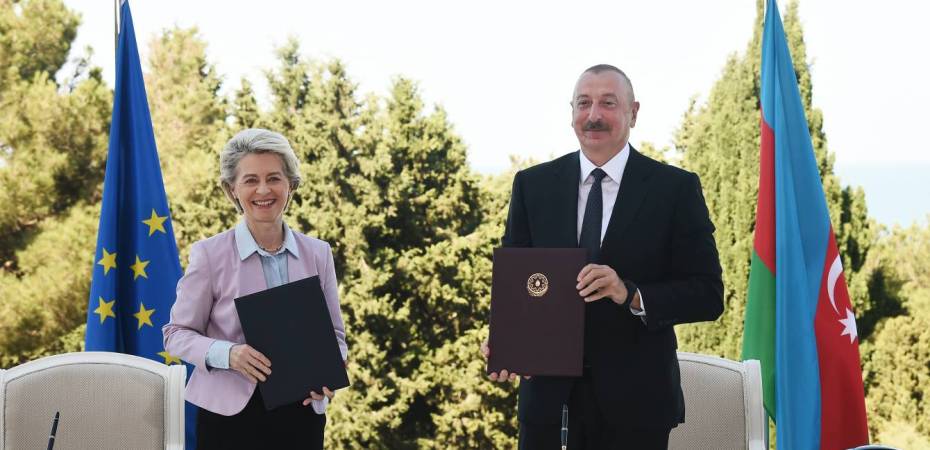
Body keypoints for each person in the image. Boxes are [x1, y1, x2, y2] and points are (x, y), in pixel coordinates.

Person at [481, 64, 723, 449]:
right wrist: (507, 342)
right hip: (547, 408)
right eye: (583, 103)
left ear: (633, 112)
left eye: (608, 103)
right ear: (572, 112)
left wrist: (630, 293)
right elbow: (517, 283)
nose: (593, 115)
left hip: (637, 409)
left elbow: (708, 294)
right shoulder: (532, 186)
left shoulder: (674, 189)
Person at [163, 128, 348, 450]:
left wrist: (329, 374)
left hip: (302, 413)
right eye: (250, 180)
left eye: (274, 178)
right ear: (232, 189)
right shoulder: (210, 255)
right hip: (229, 418)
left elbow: (335, 335)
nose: (263, 190)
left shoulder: (319, 253)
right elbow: (175, 334)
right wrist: (228, 354)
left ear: (290, 184)